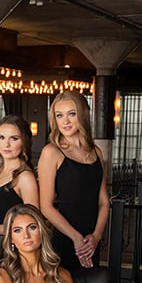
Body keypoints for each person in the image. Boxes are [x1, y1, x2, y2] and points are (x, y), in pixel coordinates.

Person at [37, 91, 109, 269]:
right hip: (65, 237)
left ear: (83, 115)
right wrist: (76, 237)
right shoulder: (51, 152)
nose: (65, 121)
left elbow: (104, 202)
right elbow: (45, 206)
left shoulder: (96, 152)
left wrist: (96, 237)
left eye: (71, 114)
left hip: (91, 240)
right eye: (59, 115)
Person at [0, 115, 39, 234]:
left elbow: (34, 221)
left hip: (10, 245)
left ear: (24, 141)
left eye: (14, 138)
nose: (6, 144)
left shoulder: (25, 177)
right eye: (1, 137)